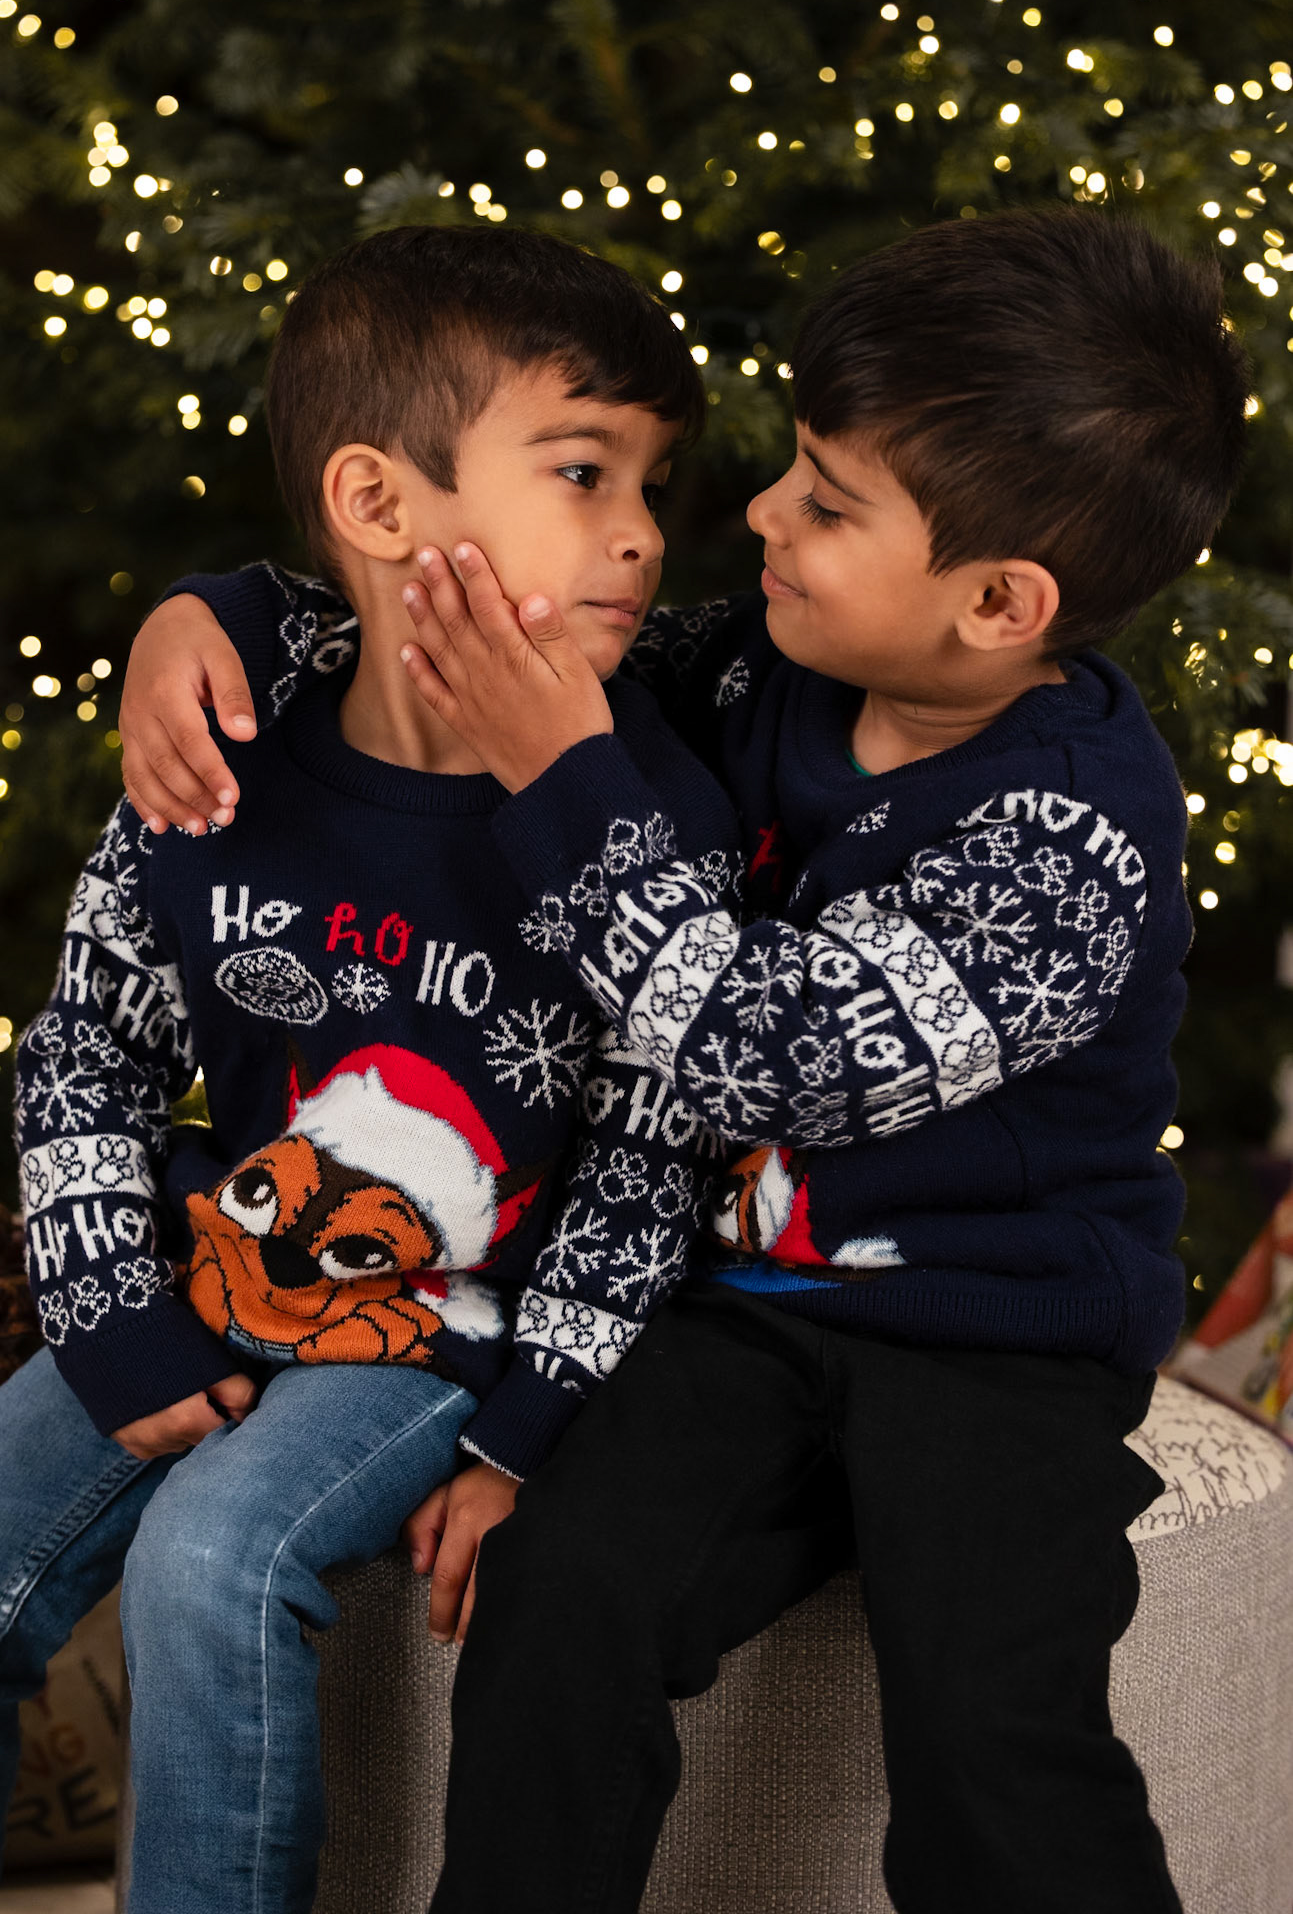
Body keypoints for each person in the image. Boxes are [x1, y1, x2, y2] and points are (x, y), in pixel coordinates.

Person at [119, 209, 1248, 1914]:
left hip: (997, 1333)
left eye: (828, 501)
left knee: (991, 1718)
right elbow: (465, 613)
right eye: (793, 466)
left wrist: (564, 778)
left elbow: (762, 1058)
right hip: (729, 1316)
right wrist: (207, 615)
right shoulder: (750, 664)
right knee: (561, 1594)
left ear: (997, 603)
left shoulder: (1067, 841)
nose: (761, 515)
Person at [0, 225, 743, 1914]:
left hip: (451, 1327)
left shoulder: (642, 812)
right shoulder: (218, 750)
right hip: (209, 1260)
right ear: (375, 503)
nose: (642, 535)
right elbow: (89, 1042)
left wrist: (527, 1430)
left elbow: (648, 1160)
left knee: (213, 1559)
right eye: (582, 472)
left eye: (650, 484)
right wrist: (108, 1309)